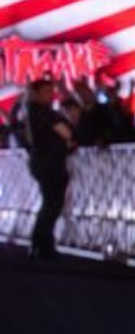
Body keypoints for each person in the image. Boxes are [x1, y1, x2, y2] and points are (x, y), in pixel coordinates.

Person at [20, 77, 73, 259]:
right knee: (52, 205)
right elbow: (66, 132)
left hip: (42, 161)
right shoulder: (45, 113)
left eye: (51, 92)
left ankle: (43, 244)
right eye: (46, 92)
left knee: (50, 204)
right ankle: (40, 244)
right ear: (37, 94)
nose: (50, 95)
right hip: (51, 163)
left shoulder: (32, 113)